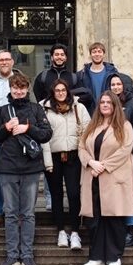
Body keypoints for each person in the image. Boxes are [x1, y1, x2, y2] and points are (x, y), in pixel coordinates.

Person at [0, 73, 52, 265]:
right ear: (10, 89)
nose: (18, 91)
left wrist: (28, 128)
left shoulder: (35, 108)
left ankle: (27, 255)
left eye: (21, 88)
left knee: (28, 214)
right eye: (15, 88)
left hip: (31, 168)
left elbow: (46, 134)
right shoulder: (2, 110)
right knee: (10, 214)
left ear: (27, 89)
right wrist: (6, 127)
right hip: (8, 167)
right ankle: (12, 255)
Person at [0, 49, 36, 229]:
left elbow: (32, 105)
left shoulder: (22, 80)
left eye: (7, 59)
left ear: (13, 61)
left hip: (20, 134)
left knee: (21, 176)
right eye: (0, 60)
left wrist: (27, 128)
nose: (4, 62)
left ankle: (19, 213)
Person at [79, 91, 133, 265]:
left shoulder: (124, 126)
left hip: (113, 178)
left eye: (108, 103)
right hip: (93, 178)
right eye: (102, 102)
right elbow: (81, 147)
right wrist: (90, 162)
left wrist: (102, 165)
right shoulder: (92, 126)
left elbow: (125, 150)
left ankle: (114, 258)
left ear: (115, 106)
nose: (105, 105)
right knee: (95, 220)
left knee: (114, 219)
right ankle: (96, 257)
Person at [40, 79, 90, 251]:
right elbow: (42, 136)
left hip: (73, 156)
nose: (60, 93)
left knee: (74, 193)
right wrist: (46, 162)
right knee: (56, 194)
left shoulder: (78, 107)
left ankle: (75, 231)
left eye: (63, 90)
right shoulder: (44, 108)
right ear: (52, 92)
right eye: (57, 90)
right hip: (53, 156)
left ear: (68, 92)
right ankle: (61, 230)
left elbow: (87, 130)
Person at [105, 73, 133, 247]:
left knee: (127, 196)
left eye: (118, 84)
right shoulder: (106, 103)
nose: (115, 87)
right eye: (112, 84)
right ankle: (117, 231)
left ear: (124, 86)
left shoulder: (132, 103)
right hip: (109, 158)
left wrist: (125, 141)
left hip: (127, 157)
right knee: (114, 197)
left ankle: (131, 232)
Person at [78, 42, 119, 114]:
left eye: (100, 51)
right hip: (89, 113)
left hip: (109, 112)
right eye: (94, 52)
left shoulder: (112, 72)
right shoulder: (82, 74)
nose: (97, 54)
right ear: (90, 55)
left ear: (104, 54)